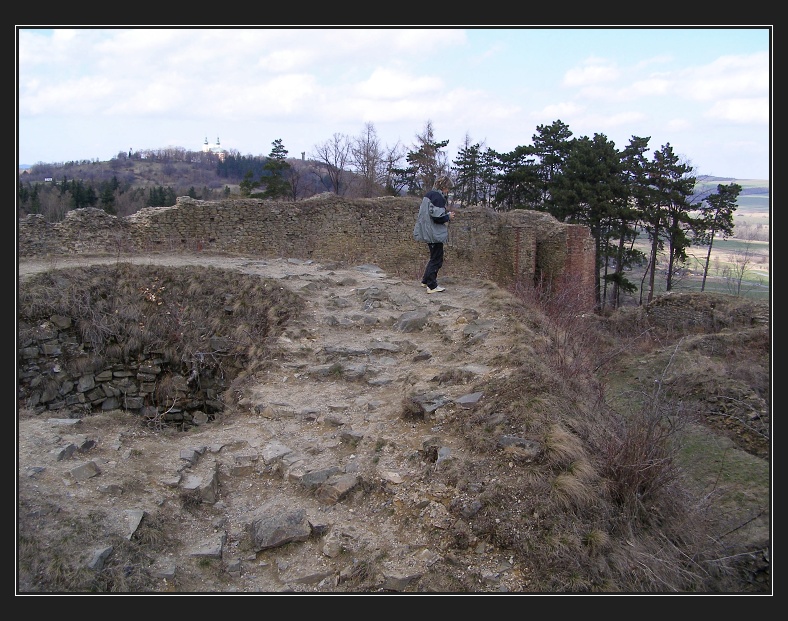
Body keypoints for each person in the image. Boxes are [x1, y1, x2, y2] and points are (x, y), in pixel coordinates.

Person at [413, 175, 455, 293]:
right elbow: (438, 218)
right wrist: (448, 216)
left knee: (433, 257)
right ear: (444, 187)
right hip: (434, 233)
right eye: (448, 189)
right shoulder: (438, 197)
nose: (448, 191)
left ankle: (426, 280)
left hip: (427, 230)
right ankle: (432, 286)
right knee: (437, 259)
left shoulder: (429, 195)